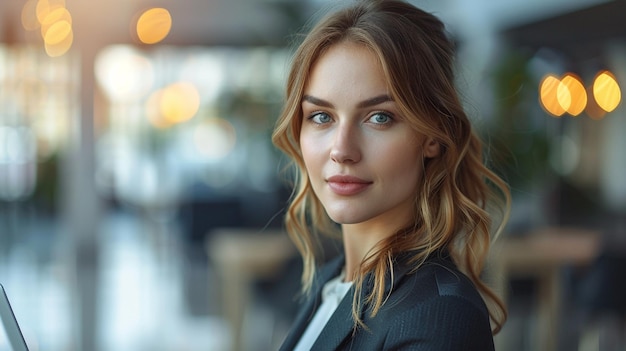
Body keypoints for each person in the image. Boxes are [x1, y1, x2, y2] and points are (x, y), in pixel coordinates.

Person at [271, 0, 510, 350]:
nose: (341, 150)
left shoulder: (438, 315)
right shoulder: (333, 283)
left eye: (379, 117)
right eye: (321, 116)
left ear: (432, 135)